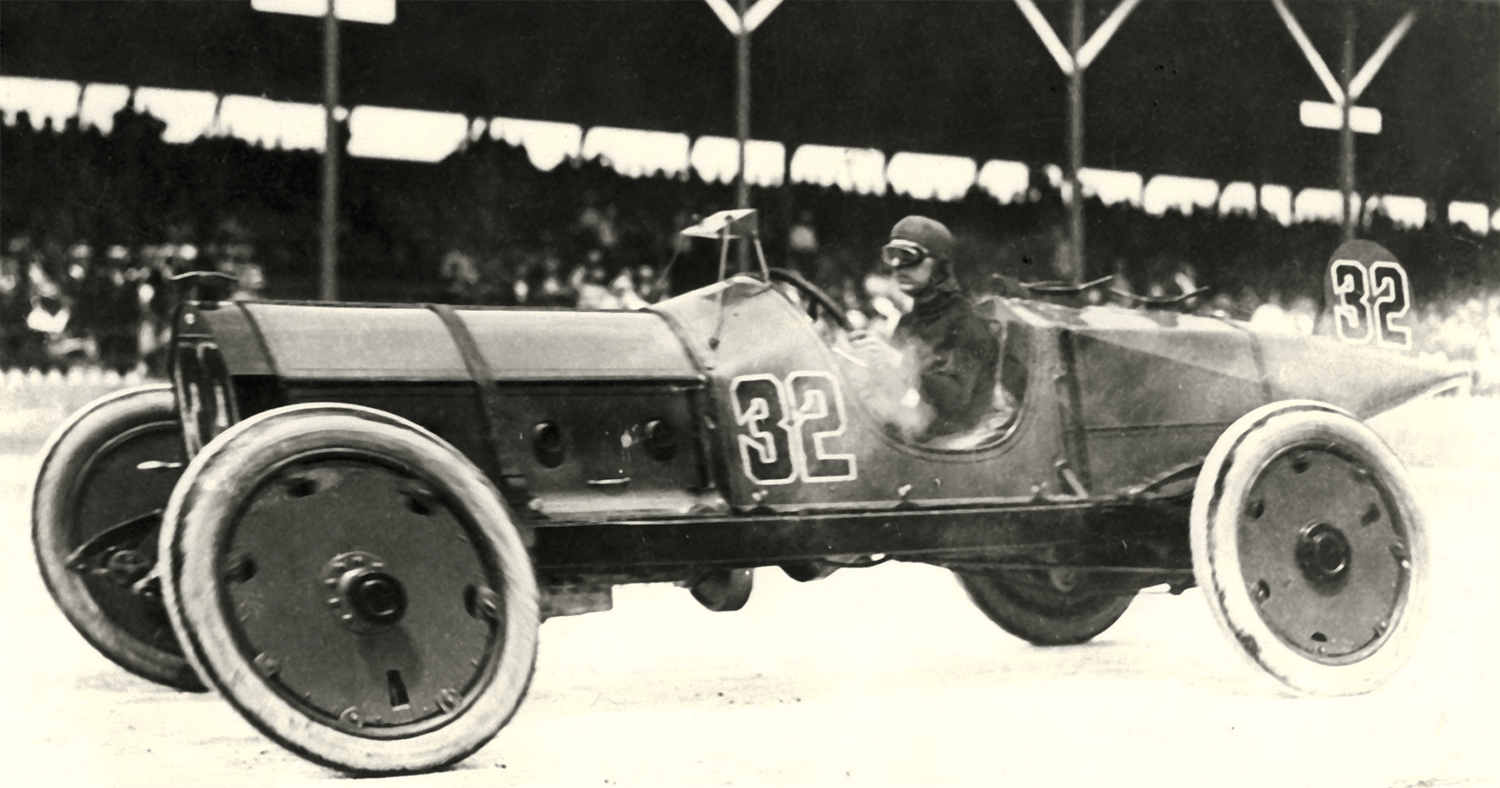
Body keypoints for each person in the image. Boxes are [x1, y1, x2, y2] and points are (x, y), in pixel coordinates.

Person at [850, 216, 999, 440]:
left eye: (909, 256)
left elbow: (954, 398)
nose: (898, 266)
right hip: (916, 439)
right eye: (893, 256)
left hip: (957, 449)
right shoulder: (908, 322)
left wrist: (897, 361)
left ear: (939, 264)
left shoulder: (967, 323)